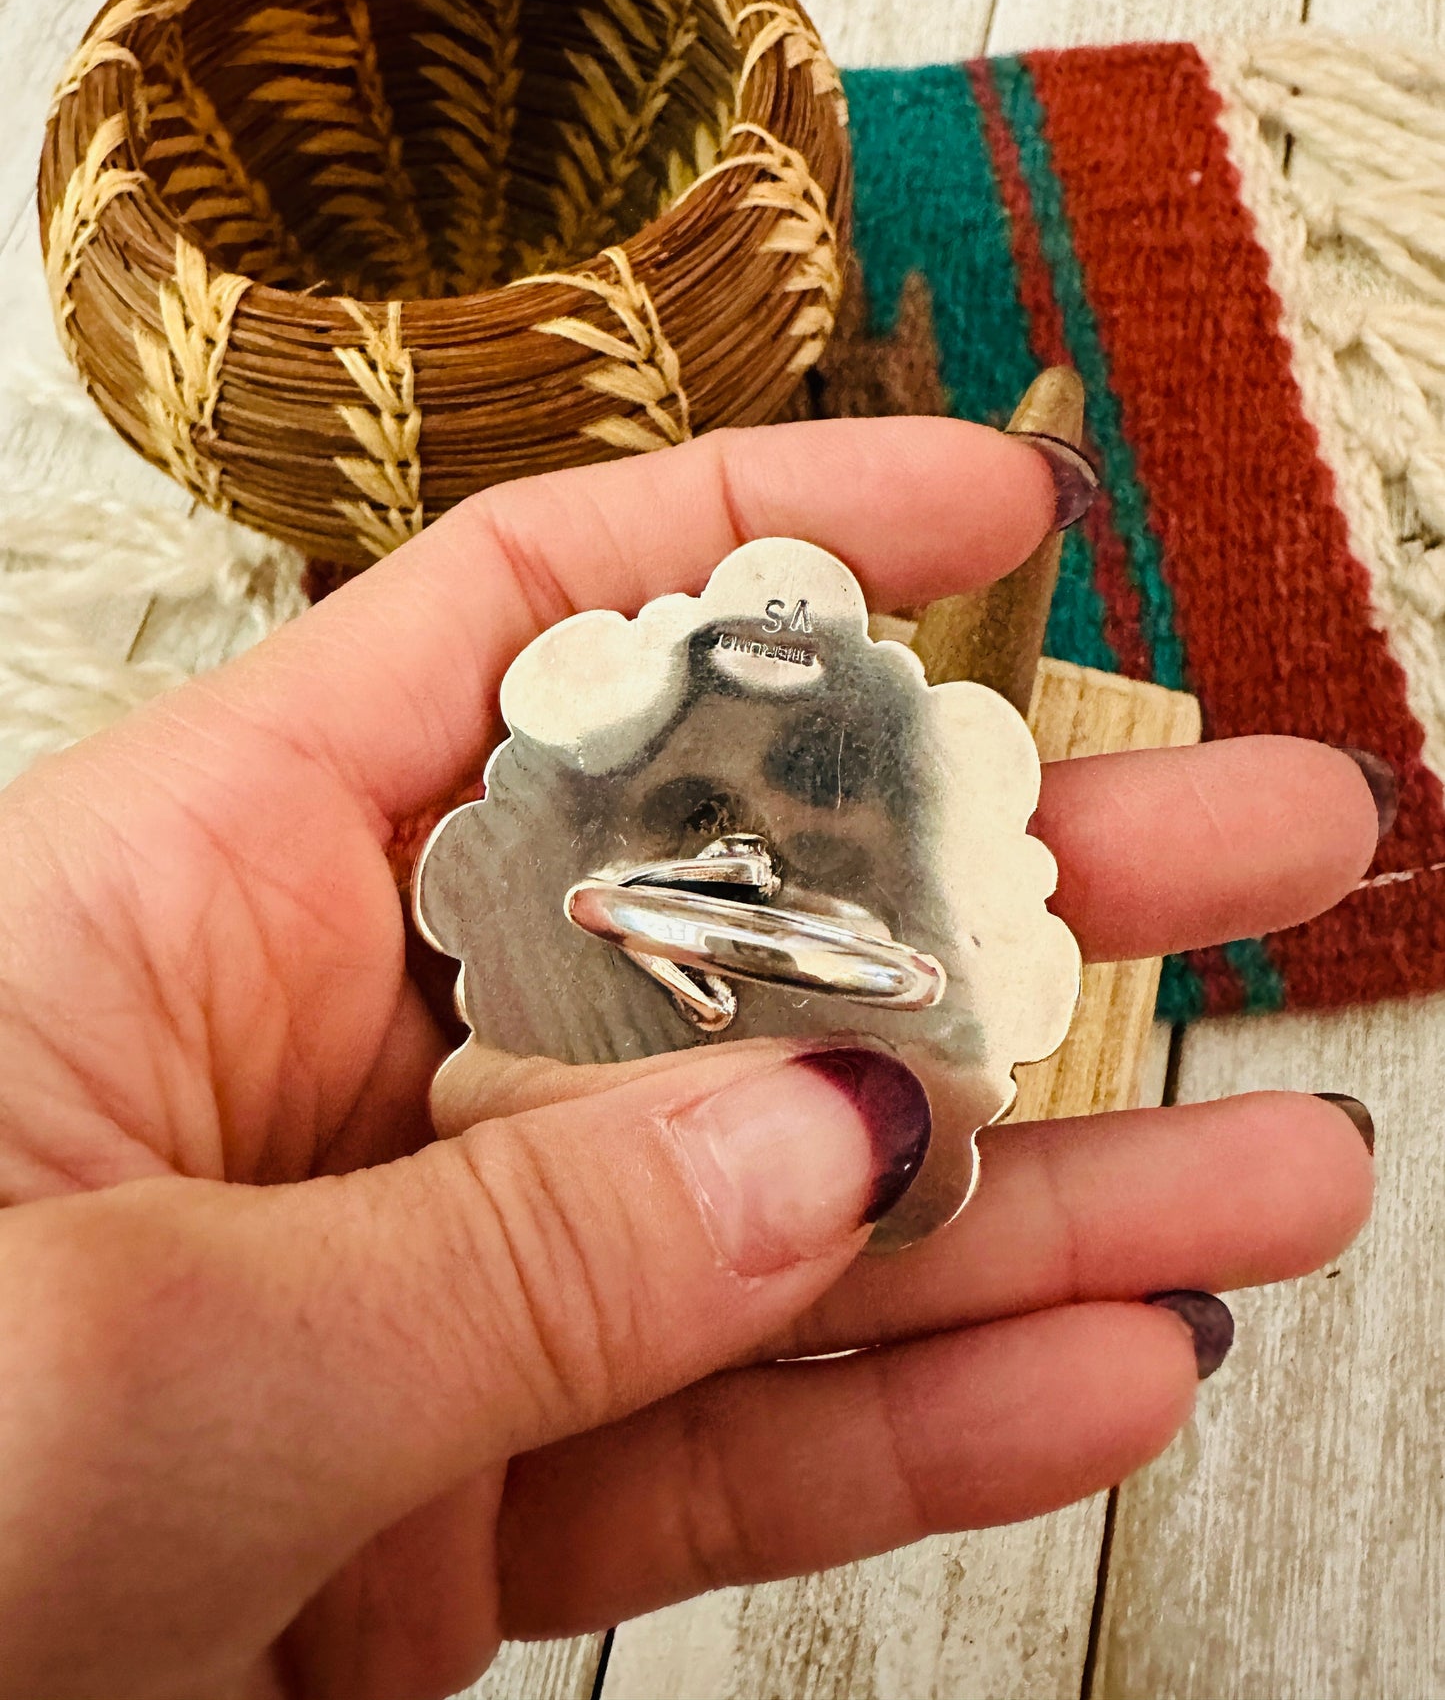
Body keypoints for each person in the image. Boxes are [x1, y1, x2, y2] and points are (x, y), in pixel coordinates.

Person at [0, 417, 1378, 1700]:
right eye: (716, 812)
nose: (771, 839)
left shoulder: (884, 950)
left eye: (822, 834)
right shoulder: (560, 952)